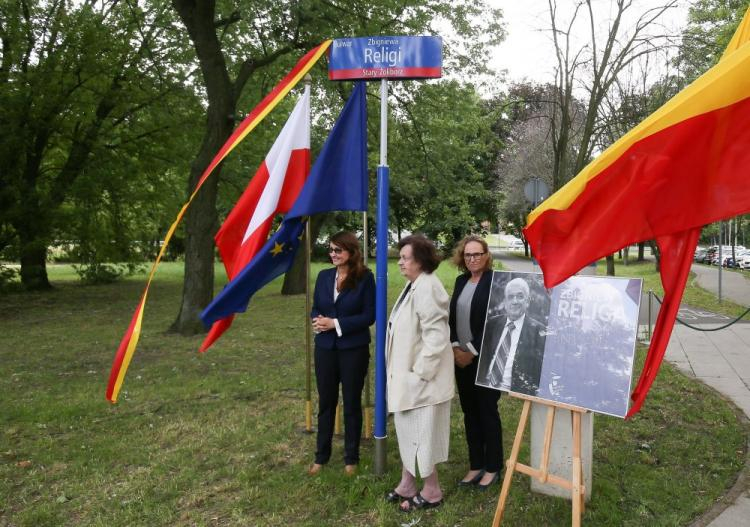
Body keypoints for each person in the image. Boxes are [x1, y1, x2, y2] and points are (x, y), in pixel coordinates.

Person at [385, 234, 455, 512]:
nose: (400, 262)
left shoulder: (427, 287)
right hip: (410, 379)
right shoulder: (413, 285)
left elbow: (436, 337)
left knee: (422, 435)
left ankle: (433, 490)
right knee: (408, 431)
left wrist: (419, 374)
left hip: (424, 382)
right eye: (400, 257)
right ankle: (407, 483)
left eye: (405, 258)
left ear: (421, 261)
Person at [309, 231, 375, 476]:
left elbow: (369, 315)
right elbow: (316, 306)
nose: (333, 254)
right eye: (331, 250)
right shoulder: (324, 276)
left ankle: (351, 458)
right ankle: (321, 456)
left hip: (353, 350)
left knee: (351, 404)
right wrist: (317, 320)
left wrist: (335, 323)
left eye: (338, 250)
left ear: (351, 251)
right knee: (326, 403)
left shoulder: (365, 278)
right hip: (325, 349)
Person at [448, 235, 503, 490]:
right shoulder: (461, 281)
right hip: (460, 359)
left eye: (477, 254)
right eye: (468, 255)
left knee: (487, 412)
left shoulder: (495, 282)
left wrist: (471, 349)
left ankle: (493, 467)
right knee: (470, 413)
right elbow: (452, 318)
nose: (472, 259)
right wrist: (455, 347)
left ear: (486, 255)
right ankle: (475, 464)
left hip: (485, 358)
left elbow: (496, 320)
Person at [476, 277, 546, 396]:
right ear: (505, 301)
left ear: (528, 301)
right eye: (510, 297)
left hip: (515, 390)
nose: (515, 301)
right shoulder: (492, 324)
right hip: (485, 383)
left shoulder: (538, 331)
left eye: (520, 296)